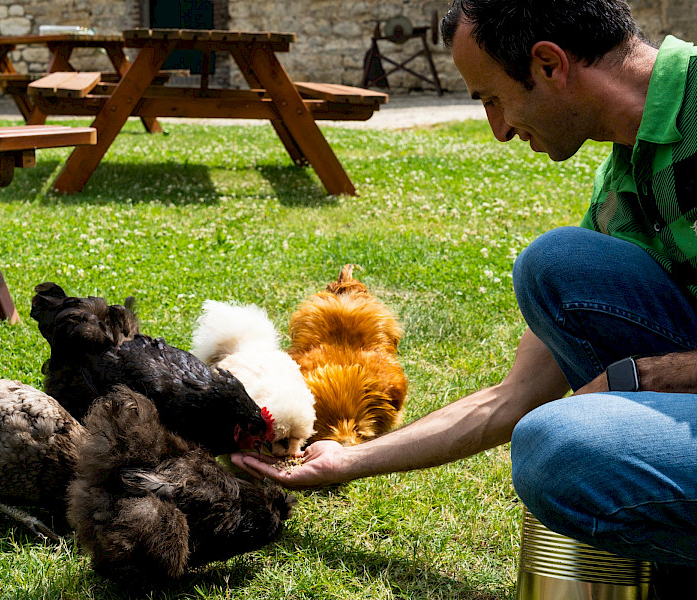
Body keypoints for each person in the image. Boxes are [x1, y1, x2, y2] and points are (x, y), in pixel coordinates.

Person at [232, 0, 697, 572]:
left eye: (492, 99)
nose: (498, 131)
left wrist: (645, 377)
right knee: (554, 265)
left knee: (563, 450)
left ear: (549, 64)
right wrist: (349, 459)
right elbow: (512, 398)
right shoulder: (625, 176)